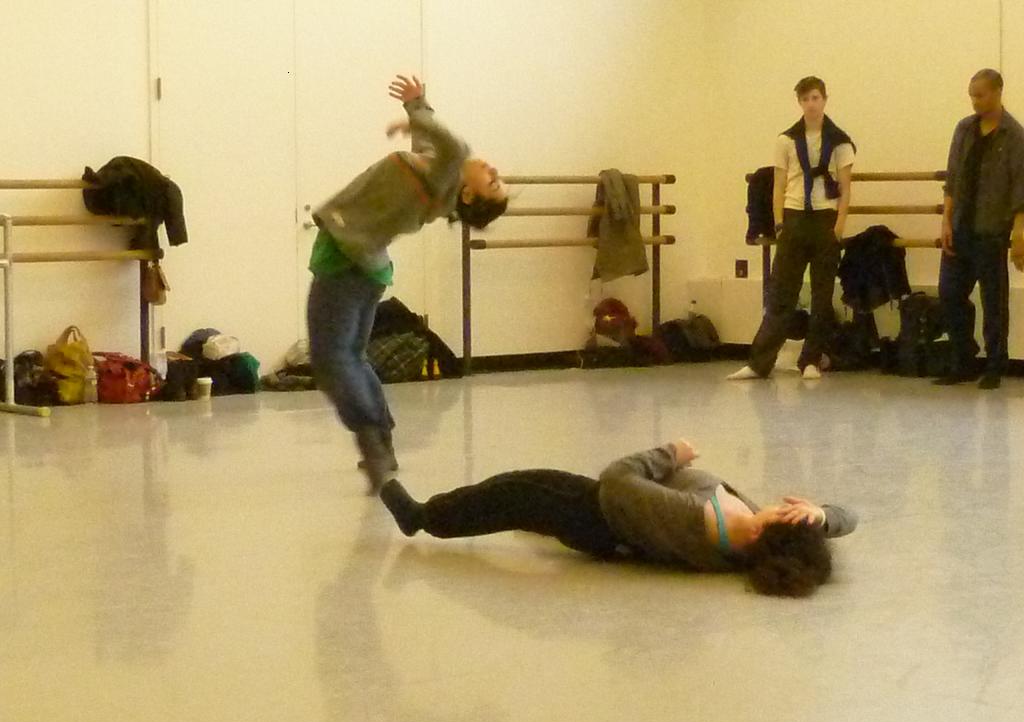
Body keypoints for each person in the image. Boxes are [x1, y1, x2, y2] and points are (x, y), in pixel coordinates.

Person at [308, 75, 508, 492]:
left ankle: (371, 439)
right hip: (366, 264)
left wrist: (417, 117)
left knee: (331, 361)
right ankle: (382, 442)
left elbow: (454, 147)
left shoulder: (446, 173)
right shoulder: (438, 174)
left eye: (492, 181)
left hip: (346, 257)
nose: (492, 169)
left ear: (467, 196)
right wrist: (417, 106)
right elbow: (432, 145)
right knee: (352, 356)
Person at [380, 439, 858, 597]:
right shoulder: (749, 537)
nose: (786, 502)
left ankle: (422, 517)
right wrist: (821, 516)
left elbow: (618, 480)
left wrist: (669, 453)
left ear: (767, 528)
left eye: (787, 511)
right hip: (614, 525)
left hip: (593, 510)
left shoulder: (693, 521)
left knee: (509, 492)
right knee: (522, 513)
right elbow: (849, 517)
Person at [729, 76, 856, 382]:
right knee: (781, 293)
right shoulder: (786, 140)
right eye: (805, 99)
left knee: (822, 295)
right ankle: (759, 362)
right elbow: (779, 184)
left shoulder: (840, 141)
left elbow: (845, 188)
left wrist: (839, 226)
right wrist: (779, 223)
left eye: (815, 98)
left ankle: (811, 360)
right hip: (794, 217)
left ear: (824, 99)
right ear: (799, 102)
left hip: (825, 218)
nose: (811, 104)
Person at [937, 69, 1024, 390]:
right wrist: (946, 220)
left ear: (998, 92)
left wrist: (1019, 232)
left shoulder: (1014, 136)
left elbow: (1020, 188)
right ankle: (963, 357)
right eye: (971, 95)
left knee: (994, 302)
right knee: (949, 293)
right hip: (961, 224)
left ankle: (995, 364)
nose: (974, 101)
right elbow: (953, 178)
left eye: (980, 95)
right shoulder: (963, 129)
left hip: (991, 230)